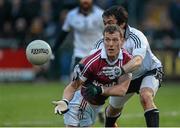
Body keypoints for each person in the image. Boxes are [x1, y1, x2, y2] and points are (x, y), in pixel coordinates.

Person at [87, 6, 164, 127]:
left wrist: (120, 70)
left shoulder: (137, 36)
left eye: (110, 22)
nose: (107, 26)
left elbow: (138, 60)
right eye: (105, 23)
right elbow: (91, 62)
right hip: (126, 77)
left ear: (122, 23)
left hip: (149, 71)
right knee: (112, 111)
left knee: (146, 97)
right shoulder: (102, 42)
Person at [53, 25, 133, 127]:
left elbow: (122, 90)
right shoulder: (93, 61)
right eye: (107, 40)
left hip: (97, 105)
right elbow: (73, 86)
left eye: (115, 40)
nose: (110, 44)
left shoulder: (127, 61)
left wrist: (99, 89)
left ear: (122, 41)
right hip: (81, 102)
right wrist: (64, 101)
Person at [52, 0, 104, 121]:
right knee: (75, 85)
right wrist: (53, 50)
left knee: (97, 86)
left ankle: (99, 109)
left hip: (96, 56)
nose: (85, 1)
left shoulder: (100, 14)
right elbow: (64, 33)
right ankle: (75, 114)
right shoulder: (71, 15)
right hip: (79, 56)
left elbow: (107, 33)